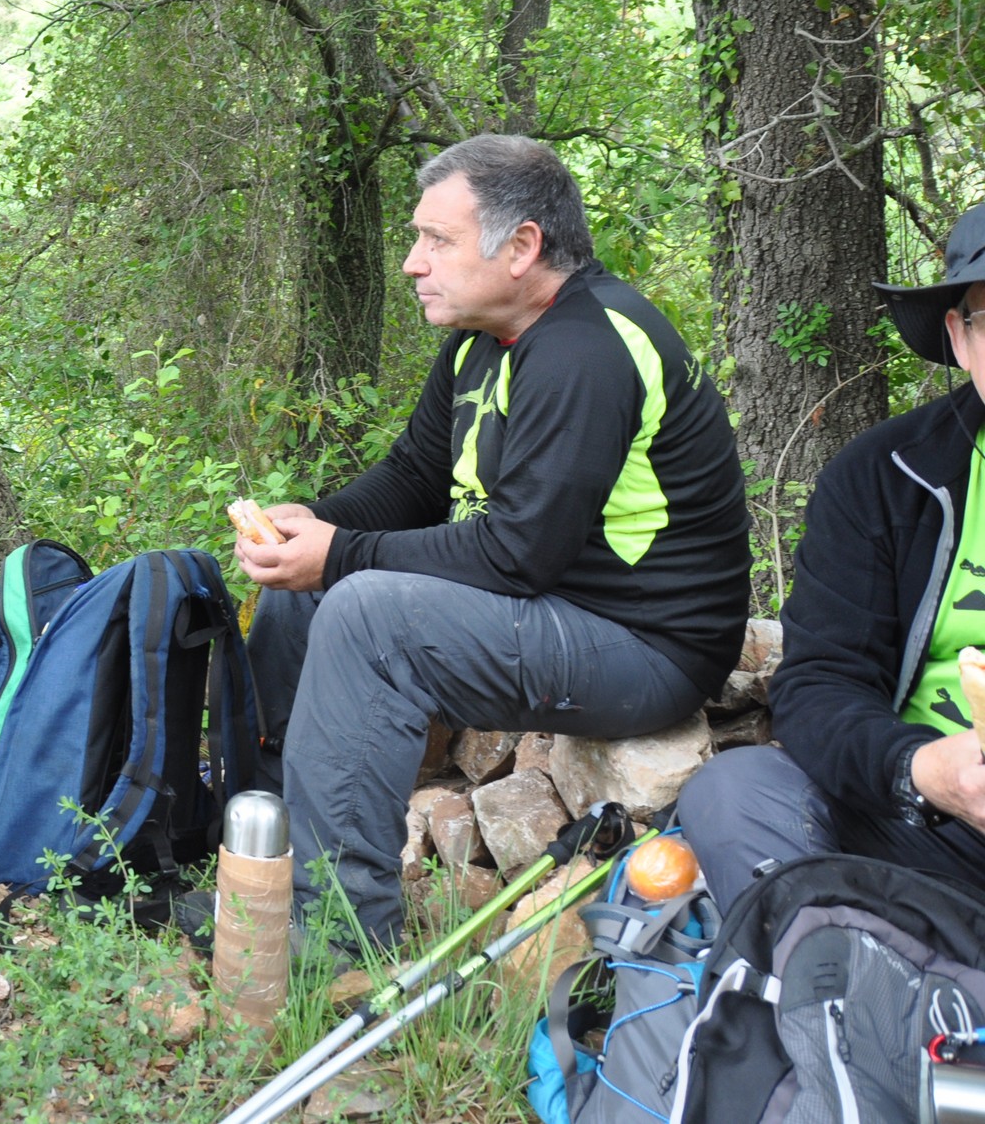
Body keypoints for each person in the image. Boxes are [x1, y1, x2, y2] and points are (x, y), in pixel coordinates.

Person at [238, 135, 750, 951]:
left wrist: (339, 554)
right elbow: (414, 475)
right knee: (299, 594)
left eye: (436, 240)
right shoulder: (484, 340)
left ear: (522, 247)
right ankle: (259, 869)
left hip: (646, 644)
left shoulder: (588, 348)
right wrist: (314, 524)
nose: (413, 262)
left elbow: (518, 553)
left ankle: (337, 936)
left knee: (365, 612)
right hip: (554, 609)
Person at [679, 201, 985, 900]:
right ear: (960, 337)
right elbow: (821, 684)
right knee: (740, 791)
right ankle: (840, 951)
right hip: (930, 828)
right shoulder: (884, 476)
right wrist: (923, 771)